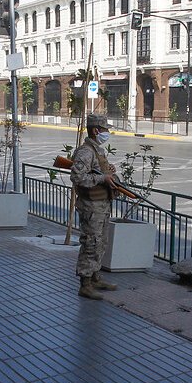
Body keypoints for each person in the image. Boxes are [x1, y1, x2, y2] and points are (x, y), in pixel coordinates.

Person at [71, 113, 120, 300]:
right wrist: (102, 178)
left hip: (101, 205)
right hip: (91, 207)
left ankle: (95, 276)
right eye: (105, 129)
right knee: (91, 243)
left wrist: (108, 171)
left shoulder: (97, 150)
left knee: (101, 242)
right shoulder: (86, 151)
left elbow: (97, 171)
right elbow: (77, 177)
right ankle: (85, 284)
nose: (107, 133)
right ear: (96, 130)